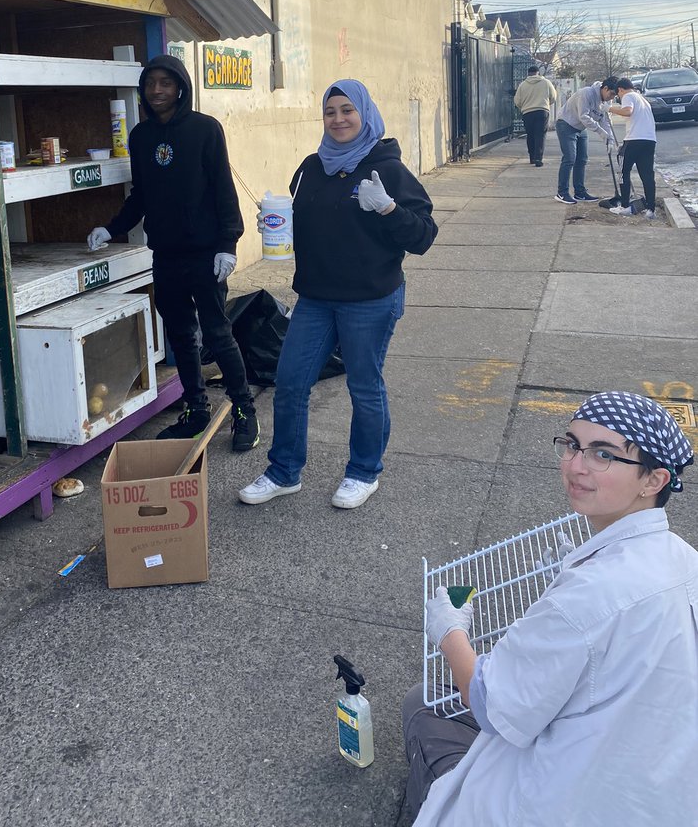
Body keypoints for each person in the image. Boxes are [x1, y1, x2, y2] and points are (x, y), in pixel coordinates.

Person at [403, 390, 696, 826]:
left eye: (604, 454)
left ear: (653, 481)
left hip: (559, 804)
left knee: (422, 708)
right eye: (573, 445)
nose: (576, 465)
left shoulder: (584, 599)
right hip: (658, 788)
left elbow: (489, 701)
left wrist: (449, 631)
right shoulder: (684, 558)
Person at [238, 80, 437, 510]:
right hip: (316, 297)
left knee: (364, 387)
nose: (338, 119)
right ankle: (283, 472)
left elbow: (423, 236)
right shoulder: (312, 167)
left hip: (370, 298)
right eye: (330, 111)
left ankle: (364, 472)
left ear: (365, 113)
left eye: (347, 110)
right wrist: (276, 226)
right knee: (291, 383)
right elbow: (315, 225)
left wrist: (388, 208)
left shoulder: (387, 169)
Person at [87, 55, 259, 451]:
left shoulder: (205, 129)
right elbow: (141, 195)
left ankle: (244, 409)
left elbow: (223, 188)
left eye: (166, 83)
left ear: (180, 87)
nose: (157, 91)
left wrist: (228, 244)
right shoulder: (141, 136)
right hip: (166, 255)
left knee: (217, 332)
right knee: (180, 334)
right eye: (151, 84)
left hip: (206, 254)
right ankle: (195, 409)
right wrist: (112, 227)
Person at [554, 78, 616, 204]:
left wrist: (610, 139)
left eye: (614, 95)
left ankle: (580, 192)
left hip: (581, 128)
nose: (612, 97)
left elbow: (605, 121)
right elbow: (584, 116)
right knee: (570, 158)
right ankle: (562, 193)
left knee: (582, 159)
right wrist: (600, 132)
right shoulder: (586, 93)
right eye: (611, 94)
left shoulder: (606, 101)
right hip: (566, 124)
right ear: (605, 88)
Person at [605, 76, 657, 219]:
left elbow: (628, 111)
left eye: (618, 94)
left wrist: (609, 108)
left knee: (623, 171)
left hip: (634, 139)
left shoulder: (628, 96)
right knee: (647, 175)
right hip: (649, 140)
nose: (619, 97)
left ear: (620, 89)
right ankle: (651, 209)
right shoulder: (643, 100)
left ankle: (624, 206)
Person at [513, 64, 556, 166]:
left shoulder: (522, 85)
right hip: (542, 111)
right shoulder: (546, 82)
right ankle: (538, 158)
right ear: (538, 73)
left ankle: (532, 157)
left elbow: (517, 101)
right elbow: (553, 97)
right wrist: (546, 103)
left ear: (528, 74)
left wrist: (524, 107)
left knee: (530, 135)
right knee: (540, 135)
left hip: (527, 112)